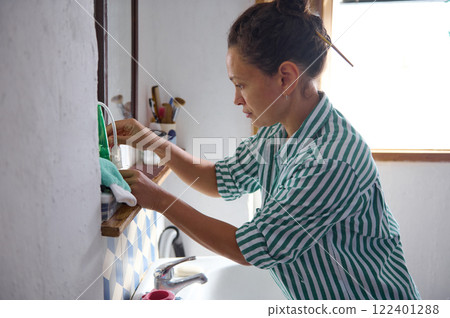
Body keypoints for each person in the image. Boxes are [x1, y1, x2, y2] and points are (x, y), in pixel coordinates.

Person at [107, 0, 420, 300]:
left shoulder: (331, 160)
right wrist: (149, 140)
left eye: (241, 84)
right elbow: (221, 179)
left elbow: (249, 248)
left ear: (285, 77)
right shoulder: (278, 131)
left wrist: (159, 199)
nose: (236, 99)